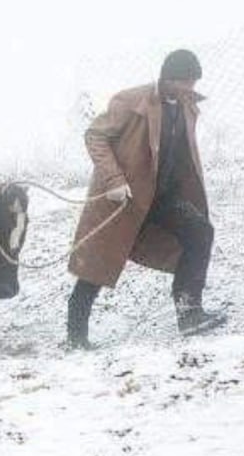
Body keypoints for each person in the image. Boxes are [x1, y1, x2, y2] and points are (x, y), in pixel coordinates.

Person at [66, 49, 227, 349]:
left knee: (200, 231)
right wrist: (114, 180)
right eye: (185, 83)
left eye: (192, 84)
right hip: (124, 198)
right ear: (168, 79)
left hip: (161, 197)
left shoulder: (186, 106)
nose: (190, 90)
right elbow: (95, 136)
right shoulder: (130, 102)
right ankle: (76, 337)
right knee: (98, 265)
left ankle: (189, 312)